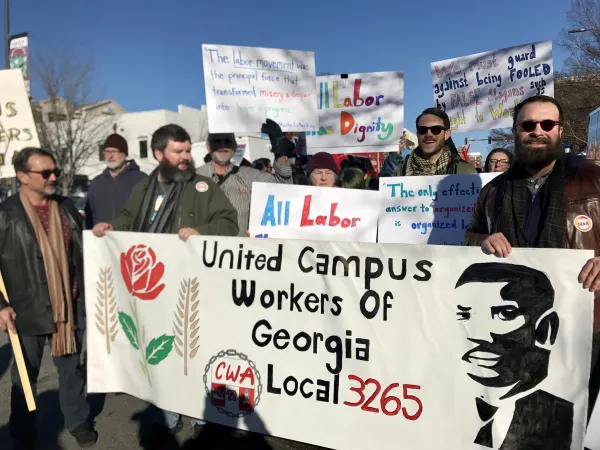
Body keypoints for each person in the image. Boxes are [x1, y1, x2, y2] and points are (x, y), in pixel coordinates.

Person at [92, 124, 238, 442]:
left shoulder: (202, 187)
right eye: (178, 151)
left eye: (188, 151)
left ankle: (200, 411)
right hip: (152, 287)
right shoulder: (144, 188)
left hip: (191, 285)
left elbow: (229, 221)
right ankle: (169, 408)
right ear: (159, 154)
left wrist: (202, 231)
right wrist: (110, 227)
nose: (186, 157)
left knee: (192, 347)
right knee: (160, 350)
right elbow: (129, 218)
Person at [464, 94, 600, 413]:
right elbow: (467, 236)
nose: (537, 131)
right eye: (528, 124)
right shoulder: (493, 190)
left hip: (585, 319)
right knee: (520, 410)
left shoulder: (593, 179)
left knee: (573, 413)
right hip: (512, 324)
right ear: (515, 131)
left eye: (547, 124)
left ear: (559, 131)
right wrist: (482, 240)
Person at [0, 147, 98, 449]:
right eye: (45, 173)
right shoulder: (5, 214)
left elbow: (81, 250)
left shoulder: (66, 207)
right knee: (24, 378)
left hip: (68, 306)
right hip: (24, 309)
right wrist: (1, 306)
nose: (53, 177)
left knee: (71, 370)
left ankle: (77, 420)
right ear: (22, 177)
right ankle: (22, 431)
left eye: (54, 171)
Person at [455, 262, 573, 449]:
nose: (478, 335)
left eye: (505, 314)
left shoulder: (564, 419)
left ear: (547, 329)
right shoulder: (440, 408)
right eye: (464, 314)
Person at [196, 119, 293, 236]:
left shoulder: (250, 176)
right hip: (202, 250)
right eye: (217, 141)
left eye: (227, 141)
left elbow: (284, 188)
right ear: (208, 147)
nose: (222, 146)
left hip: (237, 251)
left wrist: (279, 150)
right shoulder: (193, 177)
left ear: (235, 146)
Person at [380, 107, 476, 176]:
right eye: (423, 130)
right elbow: (382, 193)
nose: (429, 134)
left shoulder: (465, 171)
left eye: (436, 129)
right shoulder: (400, 170)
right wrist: (395, 153)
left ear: (446, 134)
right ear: (417, 134)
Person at [85, 133, 147, 228]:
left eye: (114, 152)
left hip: (133, 240)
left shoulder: (141, 180)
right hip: (103, 239)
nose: (110, 156)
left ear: (124, 154)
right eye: (107, 152)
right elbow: (89, 217)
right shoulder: (97, 183)